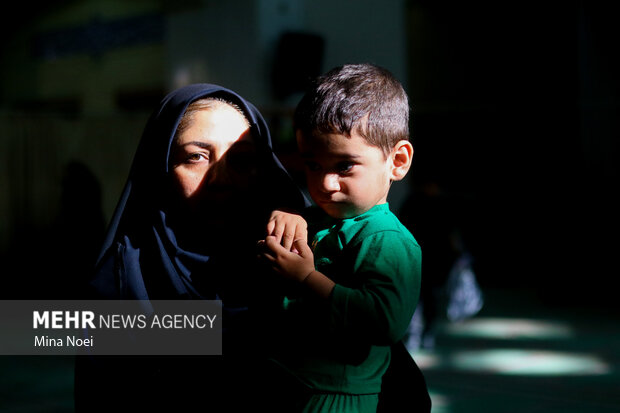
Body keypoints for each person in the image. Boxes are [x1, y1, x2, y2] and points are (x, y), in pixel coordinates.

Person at [74, 83, 309, 411]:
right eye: (197, 157)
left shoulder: (299, 259)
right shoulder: (122, 279)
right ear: (162, 167)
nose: (221, 179)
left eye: (241, 160)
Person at [259, 63, 430, 413]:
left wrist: (307, 279)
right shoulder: (317, 218)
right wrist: (286, 218)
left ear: (397, 161)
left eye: (345, 166)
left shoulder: (387, 239)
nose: (325, 184)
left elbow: (385, 322)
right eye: (313, 165)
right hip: (289, 381)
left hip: (337, 397)